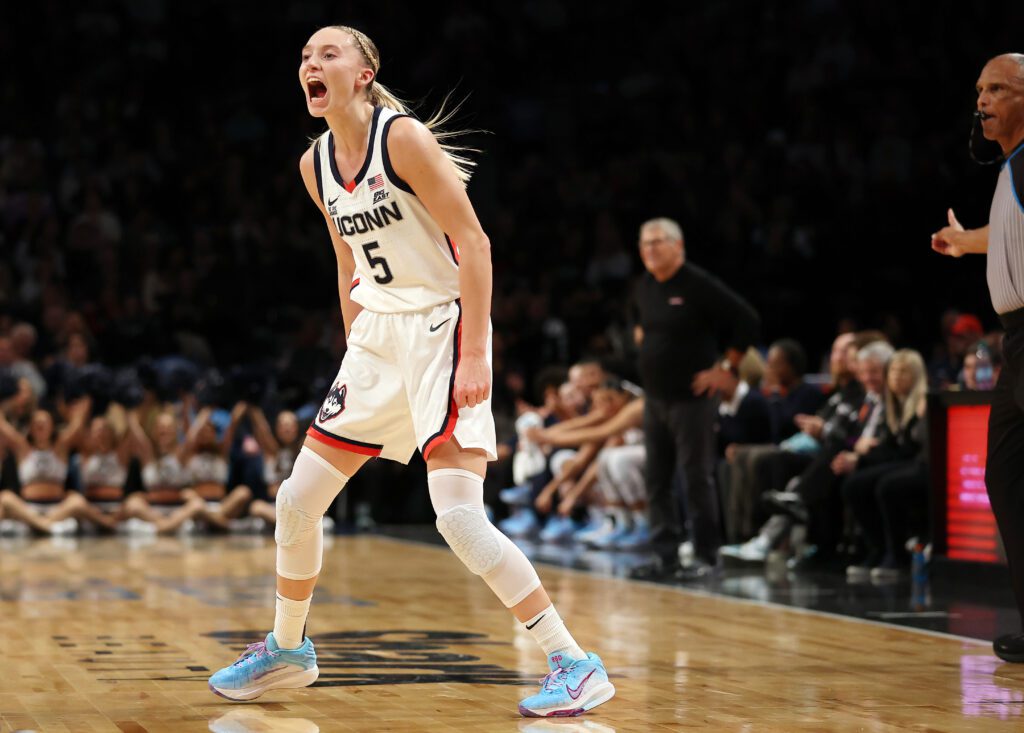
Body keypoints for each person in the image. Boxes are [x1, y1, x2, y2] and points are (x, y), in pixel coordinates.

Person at [208, 26, 614, 717]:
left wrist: (476, 352)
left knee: (457, 517)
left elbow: (475, 243)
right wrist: (355, 340)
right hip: (378, 336)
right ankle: (288, 648)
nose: (310, 63)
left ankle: (572, 661)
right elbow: (346, 260)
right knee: (296, 501)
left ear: (364, 73)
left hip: (440, 326)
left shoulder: (402, 139)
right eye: (304, 56)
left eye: (328, 53)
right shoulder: (313, 164)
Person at [931, 52, 1024, 663]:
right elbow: (1013, 234)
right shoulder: (1014, 167)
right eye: (979, 90)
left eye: (998, 89)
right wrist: (967, 242)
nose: (982, 100)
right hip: (1016, 340)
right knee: (1007, 477)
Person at [629, 217, 760, 580]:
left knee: (696, 477)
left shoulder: (698, 284)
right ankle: (665, 557)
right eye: (644, 243)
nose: (649, 249)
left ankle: (706, 556)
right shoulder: (645, 286)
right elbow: (638, 321)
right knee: (656, 480)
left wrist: (727, 368)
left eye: (657, 242)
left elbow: (747, 320)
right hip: (655, 399)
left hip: (692, 400)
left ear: (678, 246)